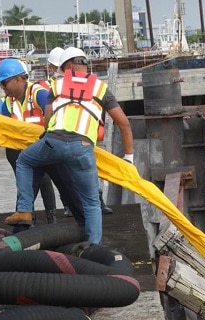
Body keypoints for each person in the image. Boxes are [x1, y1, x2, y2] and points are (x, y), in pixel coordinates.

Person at [12, 47, 134, 244]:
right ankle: (94, 248)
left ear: (68, 67)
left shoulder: (57, 86)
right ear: (85, 64)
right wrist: (128, 157)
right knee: (92, 203)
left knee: (25, 160)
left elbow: (48, 117)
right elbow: (124, 124)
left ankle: (25, 211)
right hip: (82, 149)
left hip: (53, 143)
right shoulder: (101, 89)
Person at [0, 58, 58, 227]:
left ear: (18, 79)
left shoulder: (38, 94)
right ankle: (28, 218)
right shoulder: (5, 103)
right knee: (24, 181)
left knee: (44, 179)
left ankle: (51, 219)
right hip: (18, 151)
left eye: (4, 83)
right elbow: (0, 130)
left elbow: (55, 115)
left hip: (43, 145)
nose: (2, 88)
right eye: (0, 84)